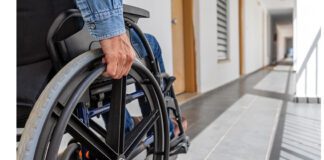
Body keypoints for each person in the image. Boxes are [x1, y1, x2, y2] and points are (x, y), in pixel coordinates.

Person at [75, 0, 187, 137]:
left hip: (59, 52)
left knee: (109, 72)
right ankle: (164, 130)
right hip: (82, 40)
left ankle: (126, 127)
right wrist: (112, 30)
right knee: (152, 45)